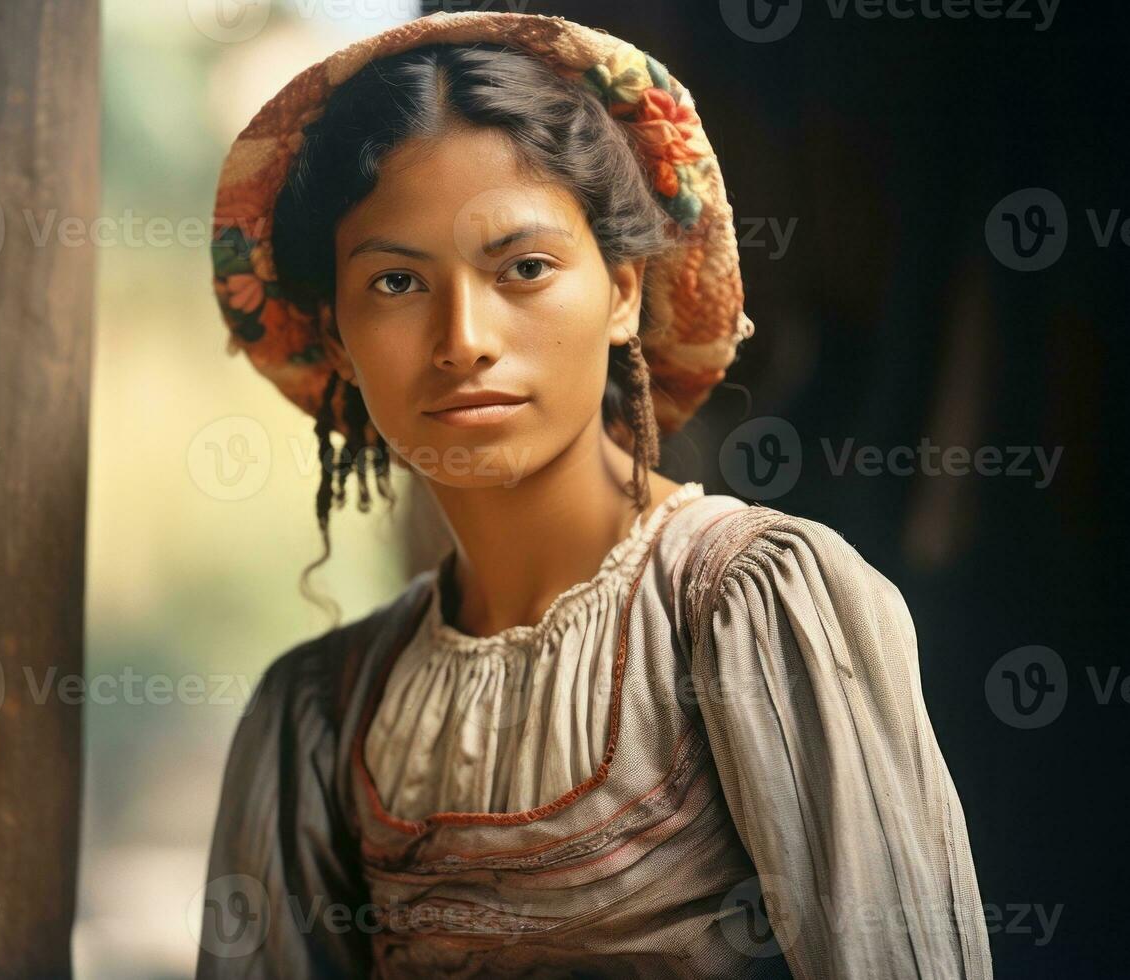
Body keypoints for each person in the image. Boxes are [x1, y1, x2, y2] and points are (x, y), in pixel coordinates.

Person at [196, 11, 992, 979]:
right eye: (397, 281)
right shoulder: (317, 713)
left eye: (522, 268)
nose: (463, 337)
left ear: (621, 290)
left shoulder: (751, 606)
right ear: (334, 339)